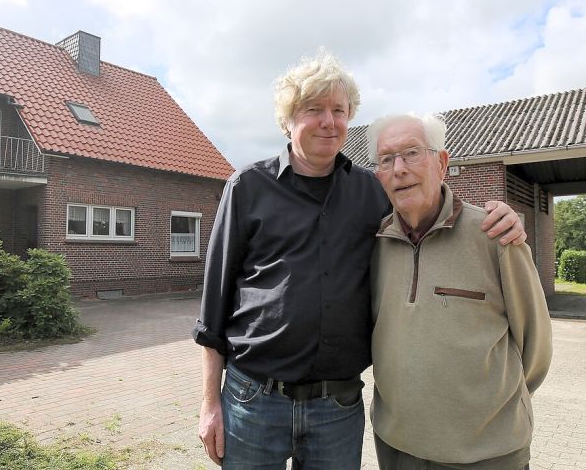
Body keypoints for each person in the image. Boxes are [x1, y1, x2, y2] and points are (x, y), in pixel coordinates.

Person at [193, 50, 526, 469]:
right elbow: (214, 308)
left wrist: (496, 217)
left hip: (337, 407)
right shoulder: (247, 187)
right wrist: (209, 404)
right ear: (288, 120)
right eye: (314, 109)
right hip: (254, 400)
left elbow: (427, 202)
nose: (329, 122)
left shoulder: (372, 191)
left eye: (339, 110)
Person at [367, 113, 553, 470]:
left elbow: (536, 344)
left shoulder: (495, 235)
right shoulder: (373, 244)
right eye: (387, 159)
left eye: (411, 153)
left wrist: (490, 413)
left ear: (442, 162)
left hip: (487, 455)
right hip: (396, 448)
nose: (399, 168)